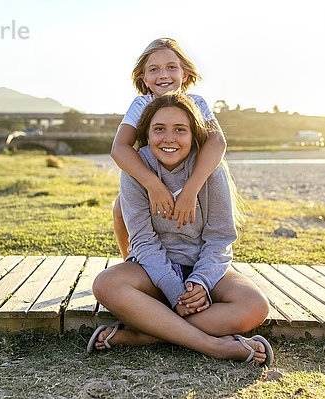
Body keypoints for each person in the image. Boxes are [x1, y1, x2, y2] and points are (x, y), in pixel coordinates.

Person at [90, 94, 273, 366]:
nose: (169, 138)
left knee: (255, 306)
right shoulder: (135, 170)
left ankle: (147, 334)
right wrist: (176, 294)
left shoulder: (210, 169)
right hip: (153, 270)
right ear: (147, 134)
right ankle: (214, 346)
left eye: (180, 130)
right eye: (159, 129)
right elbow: (142, 241)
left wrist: (200, 282)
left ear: (193, 135)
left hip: (202, 264)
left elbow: (220, 238)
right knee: (105, 284)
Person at [112, 38, 226, 259]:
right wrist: (152, 184)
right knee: (119, 207)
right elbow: (119, 149)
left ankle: (205, 260)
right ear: (144, 78)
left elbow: (217, 142)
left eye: (171, 67)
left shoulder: (197, 103)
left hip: (193, 176)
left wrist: (191, 189)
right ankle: (130, 259)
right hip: (152, 175)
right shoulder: (141, 104)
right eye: (154, 69)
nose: (163, 74)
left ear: (184, 74)